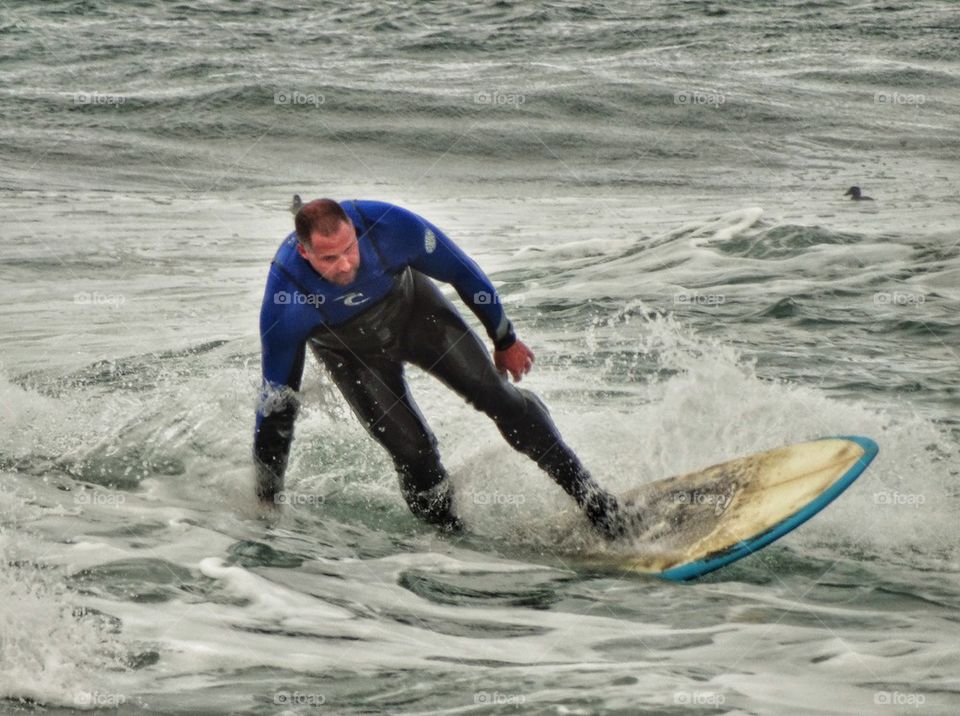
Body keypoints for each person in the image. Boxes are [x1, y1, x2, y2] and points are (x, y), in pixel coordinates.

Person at [253, 198, 625, 538]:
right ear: (304, 253)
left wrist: (505, 339)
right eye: (329, 259)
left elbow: (462, 272)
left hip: (417, 314)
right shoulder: (287, 300)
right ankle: (451, 535)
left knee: (500, 398)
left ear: (354, 228)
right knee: (414, 453)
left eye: (349, 249)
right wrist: (267, 499)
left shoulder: (389, 226)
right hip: (353, 355)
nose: (346, 264)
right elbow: (277, 407)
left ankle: (594, 501)